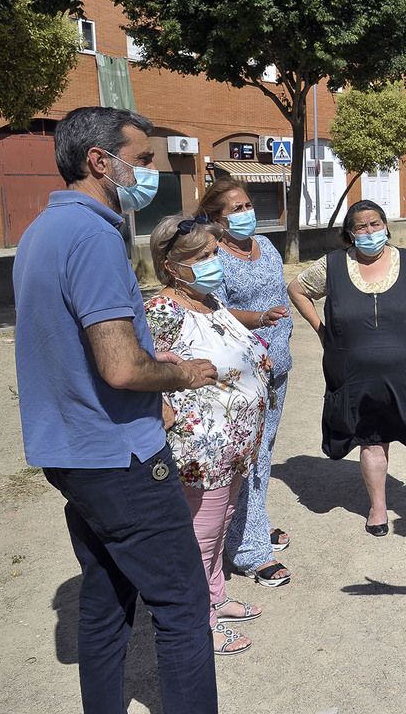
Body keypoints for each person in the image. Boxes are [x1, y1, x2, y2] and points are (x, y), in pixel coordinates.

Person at [12, 106, 220, 713]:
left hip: (71, 453)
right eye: (145, 160)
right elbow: (122, 366)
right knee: (183, 607)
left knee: (105, 602)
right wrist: (184, 372)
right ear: (101, 161)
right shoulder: (95, 237)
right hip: (119, 457)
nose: (150, 172)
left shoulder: (39, 233)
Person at [288, 200, 406, 536]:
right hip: (359, 376)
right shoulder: (332, 265)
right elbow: (297, 289)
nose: (369, 231)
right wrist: (321, 329)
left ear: (386, 226)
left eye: (375, 224)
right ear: (349, 233)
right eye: (360, 226)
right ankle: (378, 508)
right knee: (371, 441)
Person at [146, 214, 279, 655]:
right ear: (171, 266)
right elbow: (145, 372)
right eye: (201, 257)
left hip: (236, 442)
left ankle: (216, 597)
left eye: (212, 254)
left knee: (221, 524)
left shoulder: (210, 302)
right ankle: (198, 621)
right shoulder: (162, 310)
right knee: (200, 534)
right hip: (201, 448)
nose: (212, 263)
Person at [198, 179, 294, 587]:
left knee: (264, 453)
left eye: (248, 205)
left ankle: (248, 527)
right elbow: (214, 313)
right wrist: (259, 325)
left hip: (278, 368)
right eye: (235, 209)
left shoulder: (266, 246)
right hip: (242, 372)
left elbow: (281, 296)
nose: (245, 214)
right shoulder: (213, 257)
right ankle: (250, 551)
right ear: (215, 220)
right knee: (247, 458)